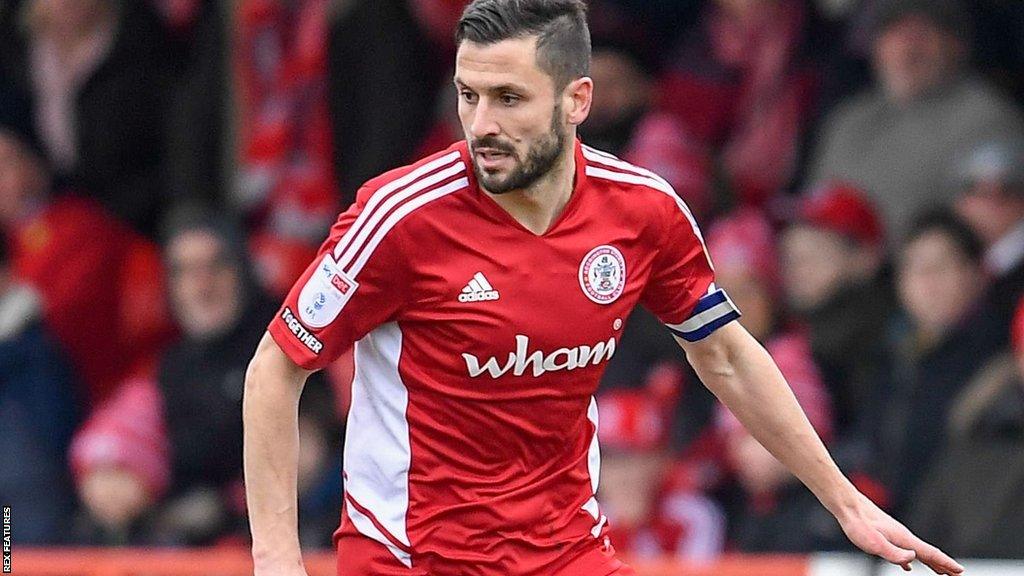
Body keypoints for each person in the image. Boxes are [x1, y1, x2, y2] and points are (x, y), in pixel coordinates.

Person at [244, 2, 963, 575]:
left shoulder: (642, 210)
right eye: (468, 95)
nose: (481, 126)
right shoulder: (399, 215)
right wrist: (277, 561)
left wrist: (844, 504)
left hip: (566, 553)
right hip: (412, 559)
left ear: (577, 99)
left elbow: (728, 356)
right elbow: (276, 368)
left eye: (508, 98)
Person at [807, 0, 1024, 238]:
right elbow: (812, 208)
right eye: (893, 33)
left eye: (922, 35)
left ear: (956, 44)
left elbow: (990, 232)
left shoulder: (989, 120)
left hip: (927, 270)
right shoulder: (849, 120)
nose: (906, 49)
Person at [779, 183, 890, 437]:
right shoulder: (795, 328)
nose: (797, 269)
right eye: (790, 256)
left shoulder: (873, 338)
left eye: (814, 253)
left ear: (865, 257)